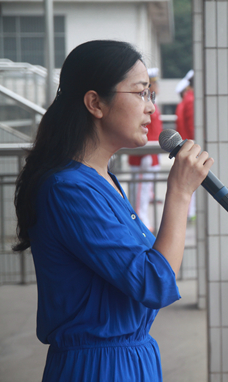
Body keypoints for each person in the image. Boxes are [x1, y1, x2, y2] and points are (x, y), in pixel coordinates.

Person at [12, 40, 213, 382]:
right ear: (95, 103)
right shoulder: (68, 189)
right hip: (98, 369)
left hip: (132, 358)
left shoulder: (104, 180)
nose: (151, 108)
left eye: (151, 94)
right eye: (140, 94)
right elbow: (154, 283)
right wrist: (179, 192)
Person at [128, 67, 163, 231]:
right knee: (140, 189)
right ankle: (139, 220)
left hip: (149, 153)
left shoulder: (149, 102)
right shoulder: (143, 104)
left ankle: (141, 218)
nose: (156, 87)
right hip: (144, 154)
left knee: (143, 189)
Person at [175, 69, 196, 221]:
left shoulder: (186, 100)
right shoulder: (190, 100)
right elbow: (192, 127)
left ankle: (190, 213)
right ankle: (190, 213)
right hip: (191, 148)